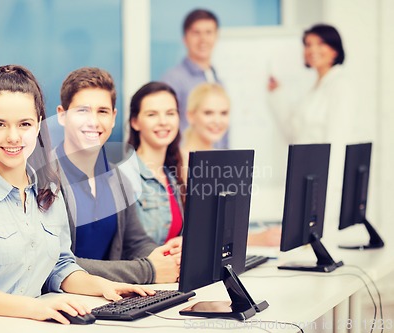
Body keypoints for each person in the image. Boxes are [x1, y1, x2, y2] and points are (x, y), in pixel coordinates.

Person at [0, 65, 154, 329]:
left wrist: (107, 287)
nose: (13, 136)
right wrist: (39, 307)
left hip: (30, 325)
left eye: (24, 124)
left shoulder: (49, 191)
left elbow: (61, 266)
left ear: (39, 126)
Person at [55, 67, 181, 284]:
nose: (93, 121)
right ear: (62, 115)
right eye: (82, 111)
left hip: (108, 303)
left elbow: (136, 242)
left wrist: (167, 258)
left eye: (102, 111)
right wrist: (147, 270)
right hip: (61, 304)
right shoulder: (44, 181)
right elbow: (59, 264)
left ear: (113, 118)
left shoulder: (117, 178)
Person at [267, 24, 358, 229]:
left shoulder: (340, 85)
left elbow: (337, 141)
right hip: (308, 180)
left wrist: (326, 195)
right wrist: (277, 95)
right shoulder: (315, 88)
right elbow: (294, 134)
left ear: (335, 49)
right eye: (308, 44)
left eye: (320, 43)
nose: (312, 50)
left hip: (325, 186)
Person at [182, 82, 281, 247]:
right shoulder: (180, 161)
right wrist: (257, 239)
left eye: (223, 113)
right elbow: (199, 230)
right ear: (191, 116)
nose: (217, 121)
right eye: (208, 113)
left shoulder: (223, 161)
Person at [127, 81, 185, 245]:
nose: (163, 121)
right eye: (152, 114)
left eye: (170, 113)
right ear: (135, 122)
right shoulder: (125, 175)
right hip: (145, 269)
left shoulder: (172, 175)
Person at [161, 8, 228, 148]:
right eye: (196, 33)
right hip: (186, 162)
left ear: (216, 36)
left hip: (217, 162)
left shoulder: (218, 81)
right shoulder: (173, 80)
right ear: (185, 38)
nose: (203, 39)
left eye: (208, 32)